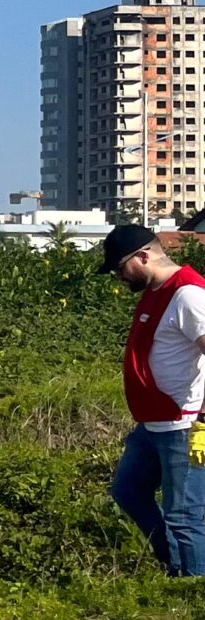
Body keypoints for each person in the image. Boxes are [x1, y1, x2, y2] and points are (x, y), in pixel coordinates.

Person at [101, 223, 205, 575]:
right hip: (152, 425)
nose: (117, 276)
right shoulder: (155, 291)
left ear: (143, 256)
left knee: (184, 515)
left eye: (119, 267)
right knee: (128, 492)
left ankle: (191, 591)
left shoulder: (188, 294)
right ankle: (174, 566)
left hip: (185, 425)